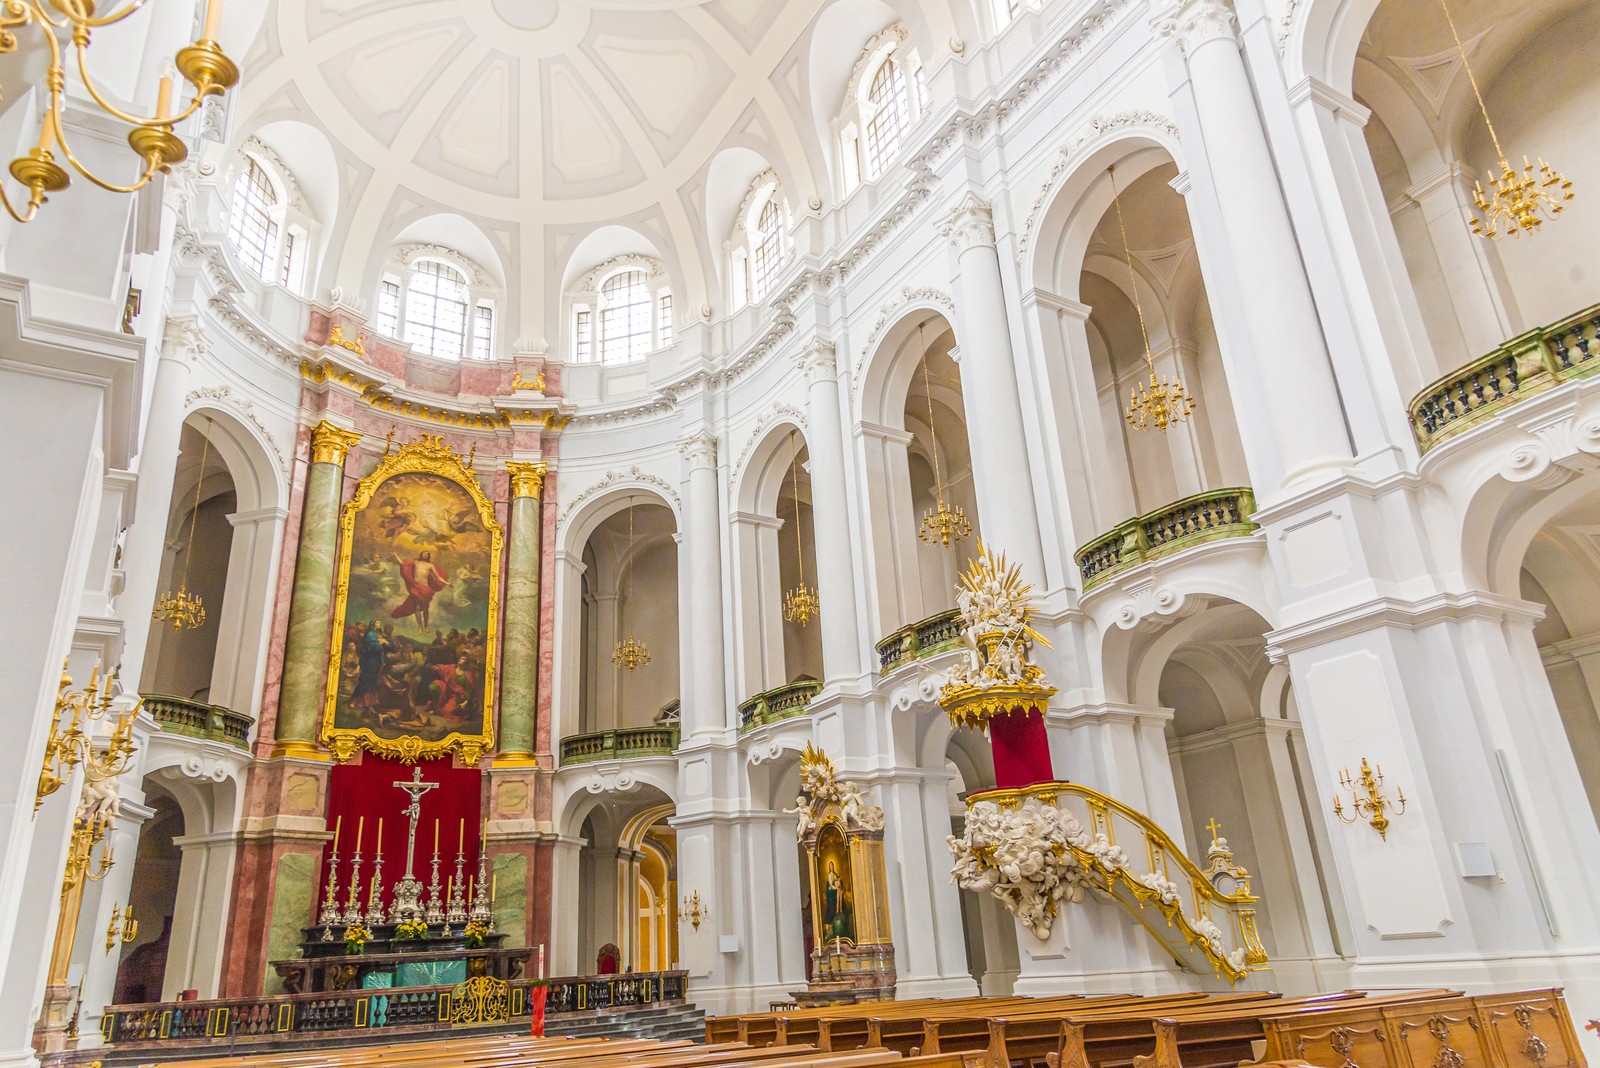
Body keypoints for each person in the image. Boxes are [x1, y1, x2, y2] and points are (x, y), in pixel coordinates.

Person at [390, 550, 450, 630]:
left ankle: (426, 626)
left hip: (425, 589)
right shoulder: (415, 563)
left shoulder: (430, 565)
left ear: (428, 556)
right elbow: (403, 564)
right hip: (415, 587)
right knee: (417, 607)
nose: (425, 555)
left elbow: (438, 577)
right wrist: (395, 555)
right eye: (424, 553)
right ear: (421, 554)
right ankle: (420, 626)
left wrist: (447, 583)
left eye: (427, 554)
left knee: (425, 608)